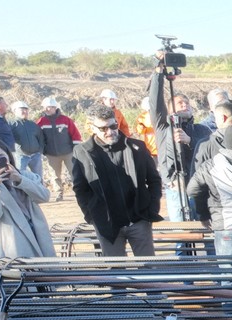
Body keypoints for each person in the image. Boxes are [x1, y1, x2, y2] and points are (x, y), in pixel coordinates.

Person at [71, 105, 163, 257]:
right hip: (107, 224)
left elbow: (154, 180)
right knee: (116, 274)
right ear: (92, 127)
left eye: (113, 126)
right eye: (103, 128)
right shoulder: (82, 152)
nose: (110, 132)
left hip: (139, 219)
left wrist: (151, 208)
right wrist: (91, 215)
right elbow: (80, 189)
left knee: (150, 271)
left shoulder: (137, 147)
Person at [150, 61, 212, 221]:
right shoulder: (163, 128)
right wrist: (158, 73)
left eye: (187, 104)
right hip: (174, 187)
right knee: (181, 233)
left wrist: (190, 141)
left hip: (198, 187)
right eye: (180, 103)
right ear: (170, 109)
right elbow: (155, 103)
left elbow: (209, 152)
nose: (185, 105)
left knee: (204, 229)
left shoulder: (202, 130)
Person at [0, 138, 55, 259]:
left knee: (47, 272)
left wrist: (20, 180)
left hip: (37, 232)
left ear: (8, 155)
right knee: (23, 274)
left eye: (1, 156)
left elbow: (44, 197)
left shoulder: (26, 175)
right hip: (12, 240)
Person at [188, 126, 232, 257]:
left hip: (225, 226)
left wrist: (203, 214)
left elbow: (192, 189)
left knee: (227, 274)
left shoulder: (210, 166)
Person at [36, 97, 81, 202]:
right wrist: (42, 151)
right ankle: (59, 193)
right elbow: (38, 138)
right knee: (55, 175)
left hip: (68, 152)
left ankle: (79, 191)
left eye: (51, 107)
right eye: (46, 107)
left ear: (55, 107)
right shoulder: (41, 122)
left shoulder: (65, 120)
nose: (48, 109)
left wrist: (76, 149)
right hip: (51, 154)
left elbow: (75, 134)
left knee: (74, 172)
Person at [6, 101, 45, 178]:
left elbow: (41, 138)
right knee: (19, 177)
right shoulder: (11, 124)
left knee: (39, 177)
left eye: (26, 109)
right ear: (15, 111)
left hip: (35, 156)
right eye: (22, 109)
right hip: (20, 156)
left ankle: (39, 189)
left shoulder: (32, 124)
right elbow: (6, 138)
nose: (25, 111)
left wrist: (41, 151)